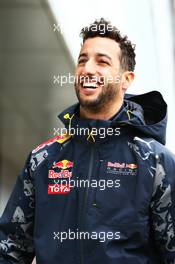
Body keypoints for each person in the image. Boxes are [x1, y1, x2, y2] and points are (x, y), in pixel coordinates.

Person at [0, 18, 175, 264]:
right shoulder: (42, 160)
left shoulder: (156, 163)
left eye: (102, 61)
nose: (87, 69)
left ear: (126, 79)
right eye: (82, 60)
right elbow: (9, 250)